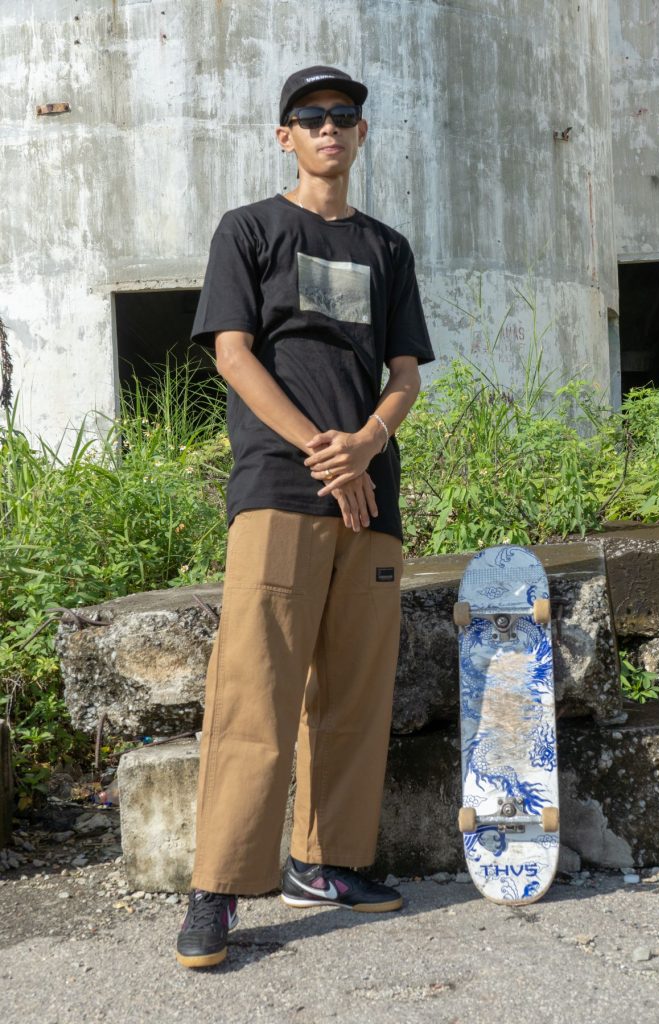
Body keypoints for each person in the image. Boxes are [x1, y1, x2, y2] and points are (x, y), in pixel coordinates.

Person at [176, 65, 434, 969]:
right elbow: (233, 356)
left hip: (370, 495)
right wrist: (325, 453)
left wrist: (366, 444)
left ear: (361, 133)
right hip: (280, 489)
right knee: (255, 688)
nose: (329, 127)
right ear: (284, 135)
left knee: (355, 694)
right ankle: (217, 887)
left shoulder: (386, 247)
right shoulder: (249, 229)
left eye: (343, 115)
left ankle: (325, 864)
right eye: (310, 116)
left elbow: (404, 374)